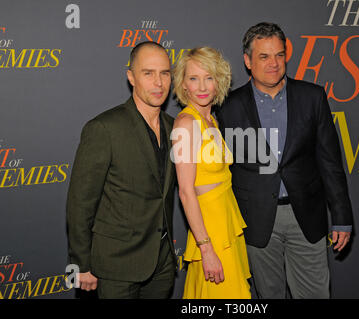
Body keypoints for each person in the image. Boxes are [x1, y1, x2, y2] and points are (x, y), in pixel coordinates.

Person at [216, 22, 354, 299]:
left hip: (306, 214)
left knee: (315, 293)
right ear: (247, 61)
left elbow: (330, 162)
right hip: (255, 218)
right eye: (264, 57)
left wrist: (341, 217)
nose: (274, 64)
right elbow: (224, 169)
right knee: (269, 295)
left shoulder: (312, 96)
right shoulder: (228, 106)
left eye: (279, 55)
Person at [66, 41, 177, 299]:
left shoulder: (175, 128)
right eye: (148, 73)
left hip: (161, 264)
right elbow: (80, 202)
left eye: (164, 73)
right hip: (116, 265)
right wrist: (82, 264)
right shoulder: (104, 128)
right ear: (131, 77)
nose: (158, 83)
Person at [171, 47, 251, 299]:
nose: (202, 86)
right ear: (183, 85)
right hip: (211, 233)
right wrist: (206, 249)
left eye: (209, 77)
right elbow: (185, 192)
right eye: (193, 78)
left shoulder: (211, 120)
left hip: (226, 223)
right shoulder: (186, 123)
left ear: (219, 82)